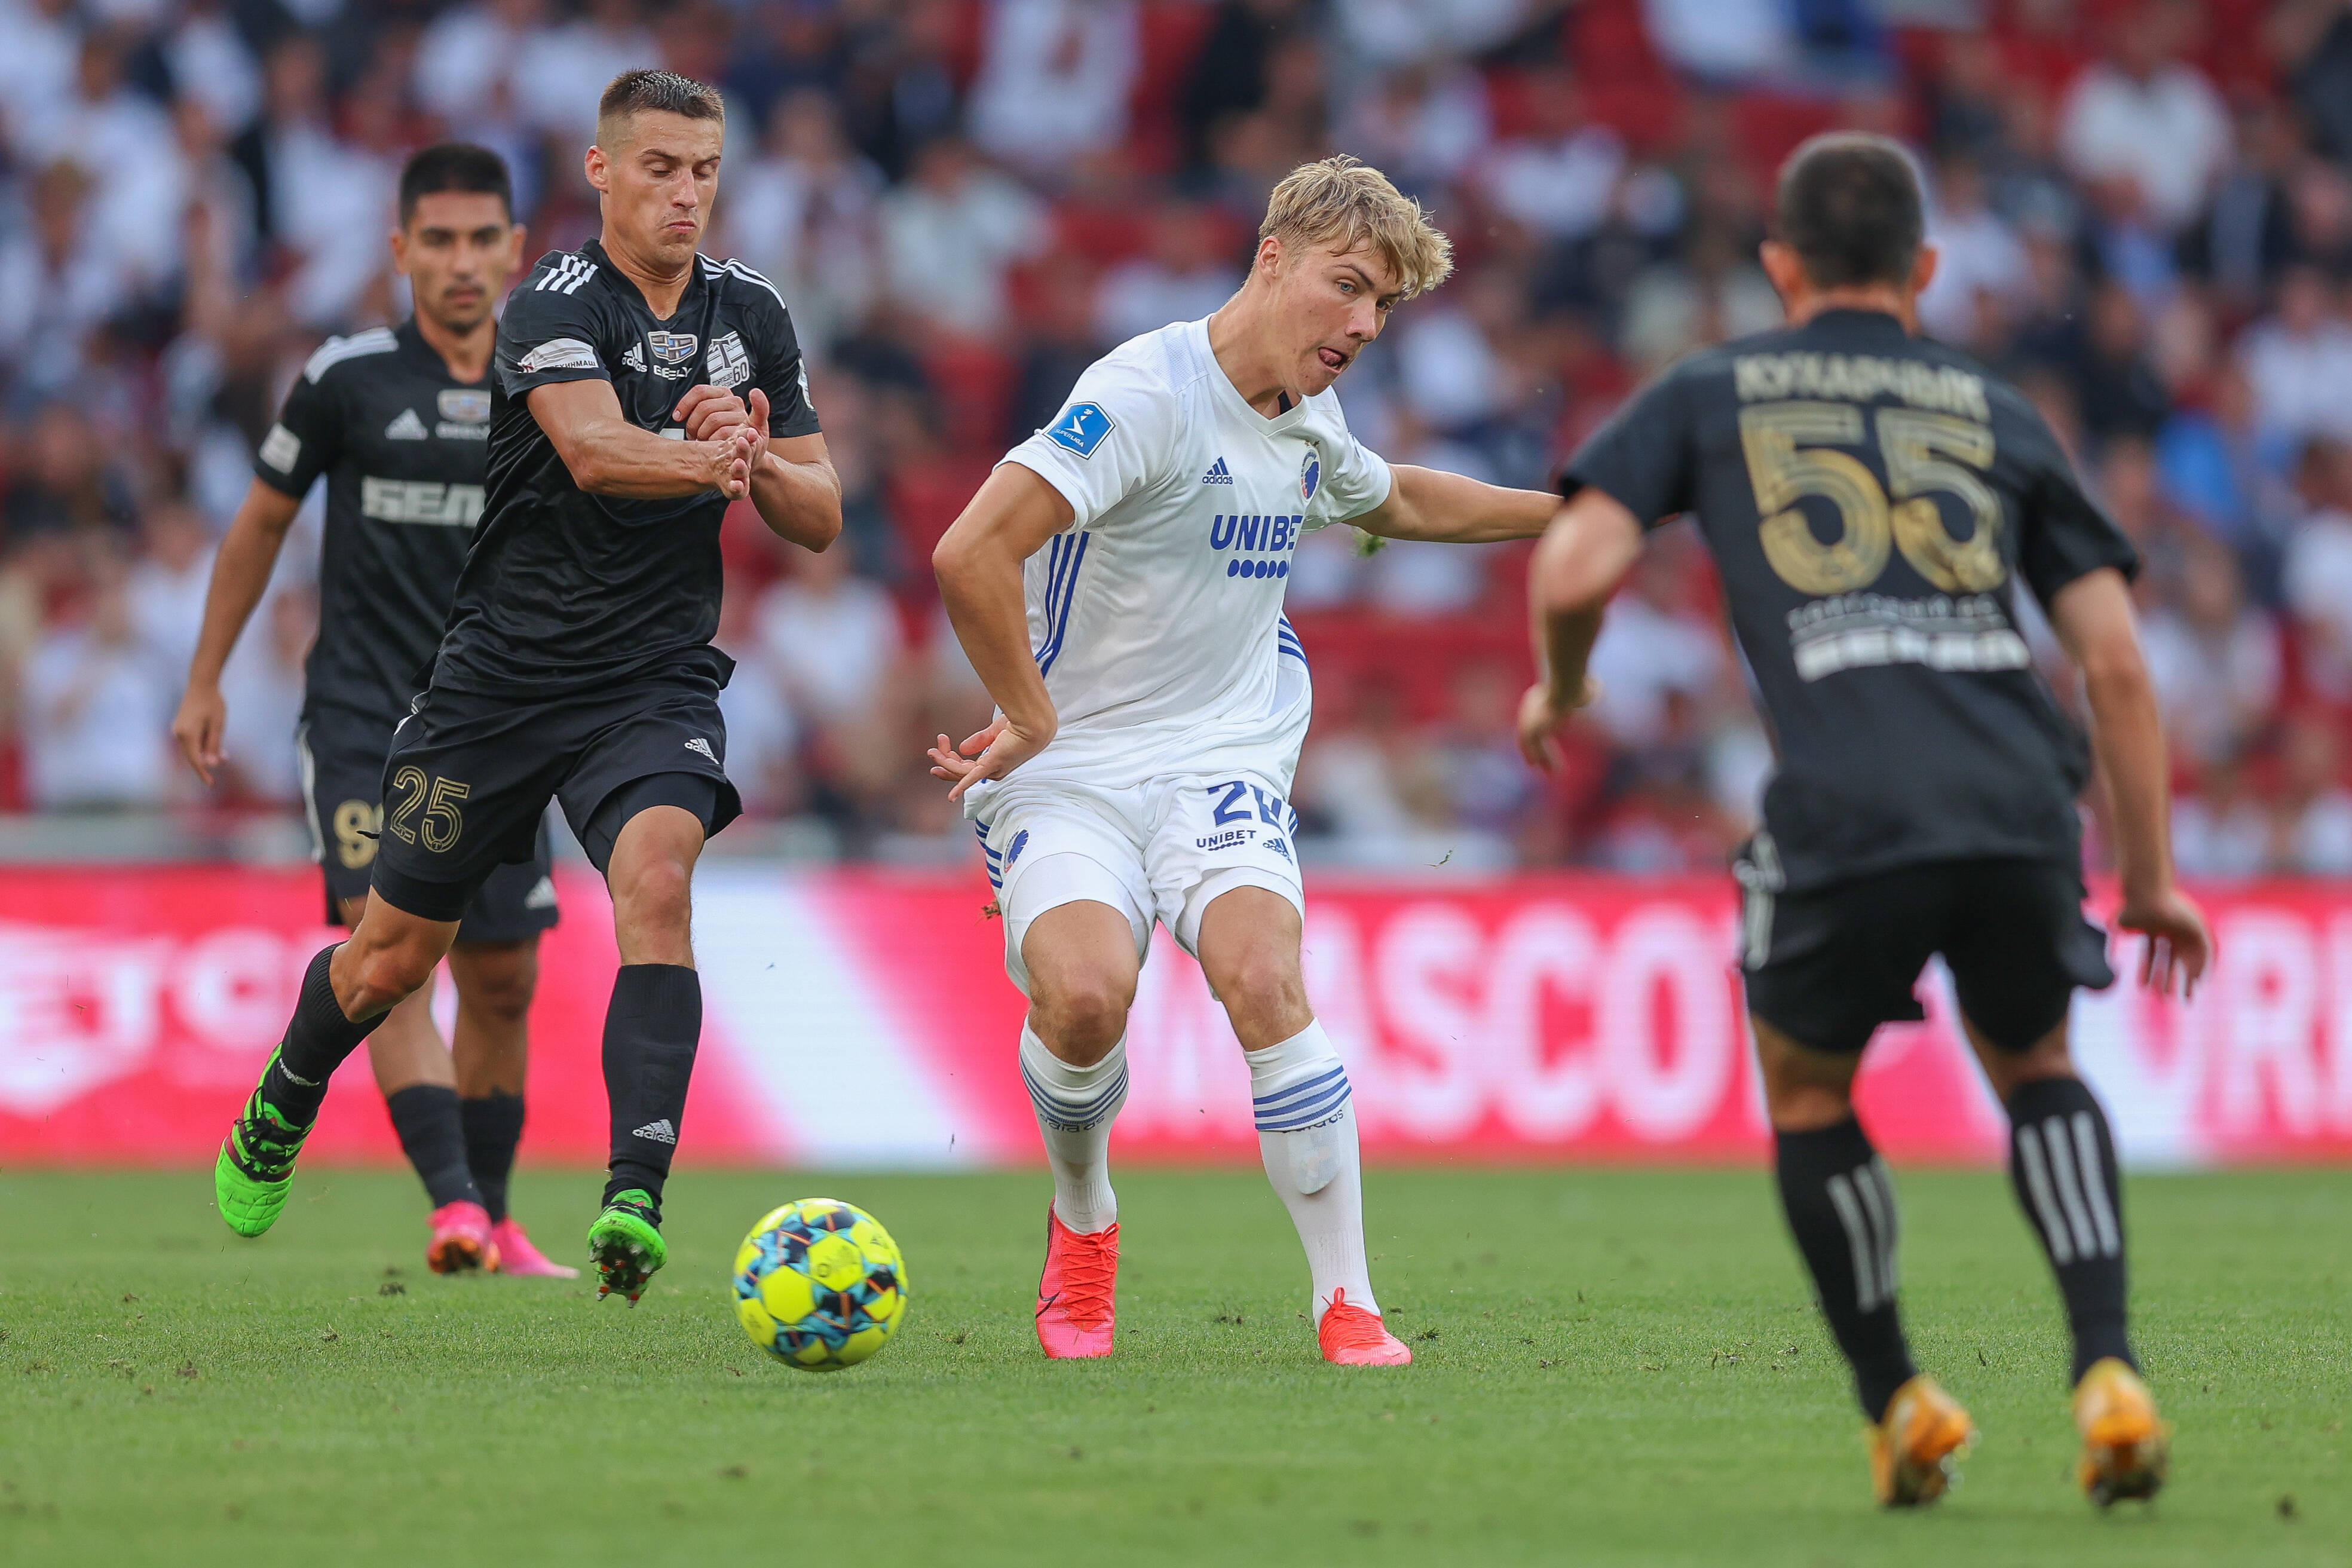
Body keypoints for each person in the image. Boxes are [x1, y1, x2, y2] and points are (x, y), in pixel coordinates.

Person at [1518, 133, 2212, 1508]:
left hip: (1845, 806)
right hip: (2019, 793)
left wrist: (1565, 682)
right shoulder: (1996, 406)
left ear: (1779, 265)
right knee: (2038, 1064)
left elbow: (1575, 553)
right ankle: (2108, 1364)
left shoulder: (1713, 388)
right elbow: (2119, 665)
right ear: (1927, 269)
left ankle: (1900, 1399)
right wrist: (2150, 876)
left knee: (1810, 1090)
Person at [207, 70, 841, 1306]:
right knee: (391, 957)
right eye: (659, 167)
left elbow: (819, 516)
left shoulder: (752, 311)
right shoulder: (550, 299)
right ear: (601, 171)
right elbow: (596, 455)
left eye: (704, 170)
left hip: (650, 678)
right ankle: (285, 1093)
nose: (686, 194)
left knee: (658, 880)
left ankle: (632, 1201)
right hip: (497, 681)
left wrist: (756, 455)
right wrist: (709, 452)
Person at [927, 155, 1560, 1366]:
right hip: (1074, 766)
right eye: (1348, 287)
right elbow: (971, 551)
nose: (1366, 324)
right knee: (1082, 998)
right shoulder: (1144, 394)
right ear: (1271, 261)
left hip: (1221, 753)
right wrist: (1030, 713)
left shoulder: (1307, 414)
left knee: (1266, 980)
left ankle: (1349, 1299)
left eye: (1382, 305)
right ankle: (1084, 1220)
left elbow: (1401, 503)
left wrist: (1571, 512)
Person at [173, 144, 575, 1278]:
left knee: (505, 976)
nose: (460, 263)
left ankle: (492, 1217)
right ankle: (450, 1203)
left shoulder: (555, 384)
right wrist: (206, 675)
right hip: (364, 723)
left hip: (500, 727)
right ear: (400, 250)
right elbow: (258, 523)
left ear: (513, 250)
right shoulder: (347, 378)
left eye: (480, 239)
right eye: (436, 241)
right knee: (391, 947)